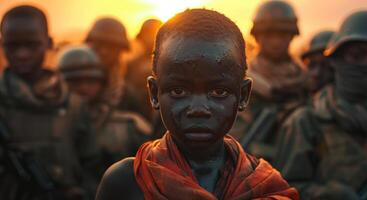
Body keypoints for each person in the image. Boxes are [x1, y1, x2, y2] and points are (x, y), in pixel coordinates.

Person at [96, 9, 298, 200]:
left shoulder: (264, 186)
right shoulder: (127, 182)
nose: (198, 109)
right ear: (154, 93)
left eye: (218, 92)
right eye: (178, 91)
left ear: (243, 95)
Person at [274, 10, 367, 199]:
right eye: (357, 55)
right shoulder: (304, 122)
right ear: (335, 60)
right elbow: (281, 191)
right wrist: (324, 195)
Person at [0, 5, 99, 199]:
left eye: (31, 44)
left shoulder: (73, 104)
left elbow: (92, 166)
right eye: (13, 46)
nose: (22, 54)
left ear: (49, 43)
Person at [234, 0, 308, 162]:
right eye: (268, 34)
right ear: (257, 36)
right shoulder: (241, 78)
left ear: (291, 36)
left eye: (282, 34)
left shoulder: (306, 80)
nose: (275, 41)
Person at [58, 46, 151, 171]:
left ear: (102, 83)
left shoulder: (129, 127)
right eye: (75, 82)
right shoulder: (47, 122)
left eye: (91, 81)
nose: (83, 88)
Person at [122, 19, 162, 120]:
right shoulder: (132, 65)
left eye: (151, 34)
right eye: (146, 35)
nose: (149, 39)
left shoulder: (169, 64)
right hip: (137, 116)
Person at [85, 17, 130, 108]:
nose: (104, 51)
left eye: (111, 46)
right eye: (99, 44)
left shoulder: (126, 96)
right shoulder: (73, 83)